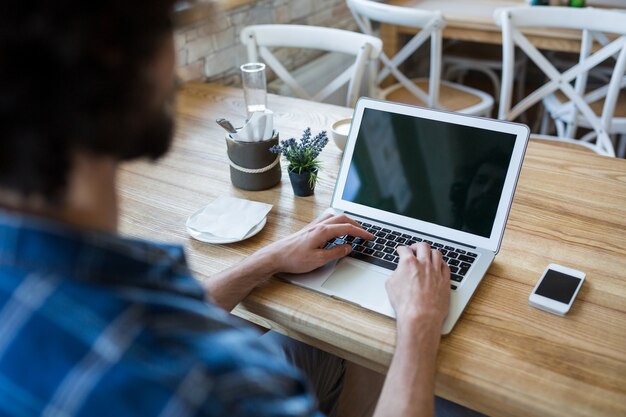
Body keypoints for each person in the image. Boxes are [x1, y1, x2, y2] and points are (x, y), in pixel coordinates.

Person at [0, 1, 456, 416]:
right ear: (119, 62)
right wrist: (419, 324)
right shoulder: (211, 388)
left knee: (348, 343)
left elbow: (167, 316)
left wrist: (270, 260)